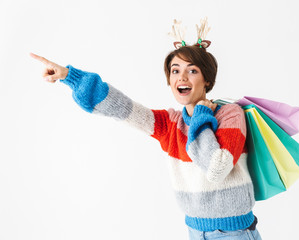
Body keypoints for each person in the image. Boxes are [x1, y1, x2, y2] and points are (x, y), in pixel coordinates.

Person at [30, 18, 262, 240]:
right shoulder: (170, 124)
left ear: (207, 80)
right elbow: (121, 108)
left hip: (235, 233)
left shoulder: (230, 114)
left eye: (192, 70)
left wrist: (200, 116)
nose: (182, 77)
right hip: (193, 231)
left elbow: (217, 168)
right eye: (175, 70)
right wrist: (71, 77)